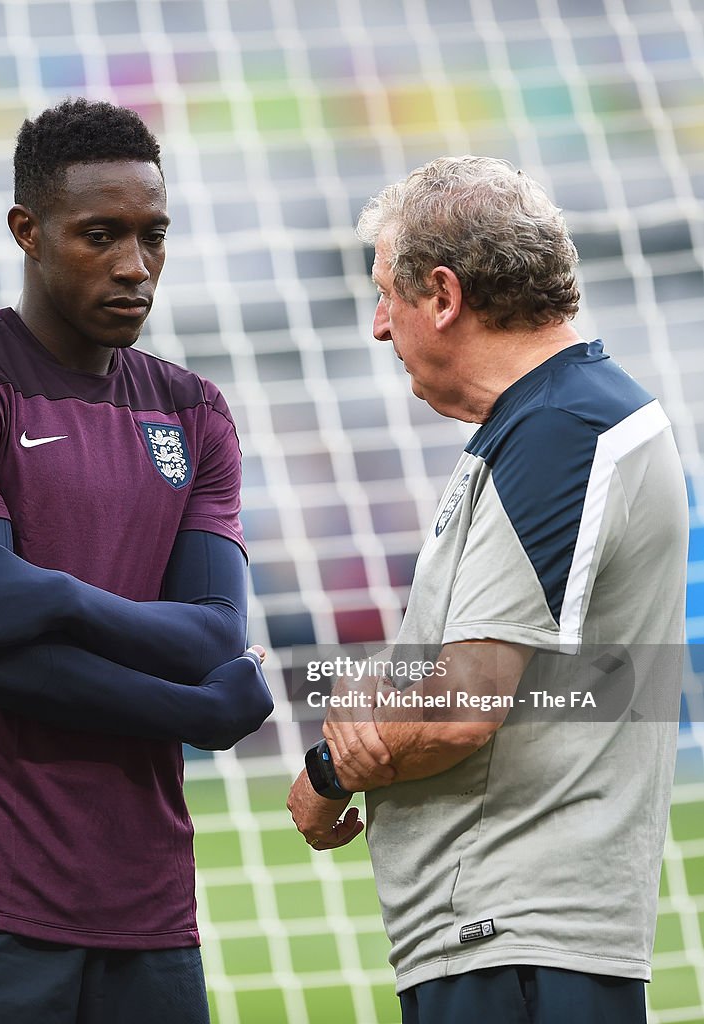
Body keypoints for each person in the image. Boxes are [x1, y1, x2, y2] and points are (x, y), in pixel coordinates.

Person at [0, 97, 273, 1024]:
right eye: (101, 235)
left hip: (152, 908)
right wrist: (194, 711)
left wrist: (50, 595)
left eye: (153, 236)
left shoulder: (193, 410)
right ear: (29, 233)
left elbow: (214, 635)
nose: (136, 267)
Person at [287, 156, 688, 1023]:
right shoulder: (559, 418)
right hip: (516, 936)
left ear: (441, 294)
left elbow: (462, 704)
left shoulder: (561, 427)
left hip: (510, 937)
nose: (376, 328)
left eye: (384, 295)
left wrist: (328, 767)